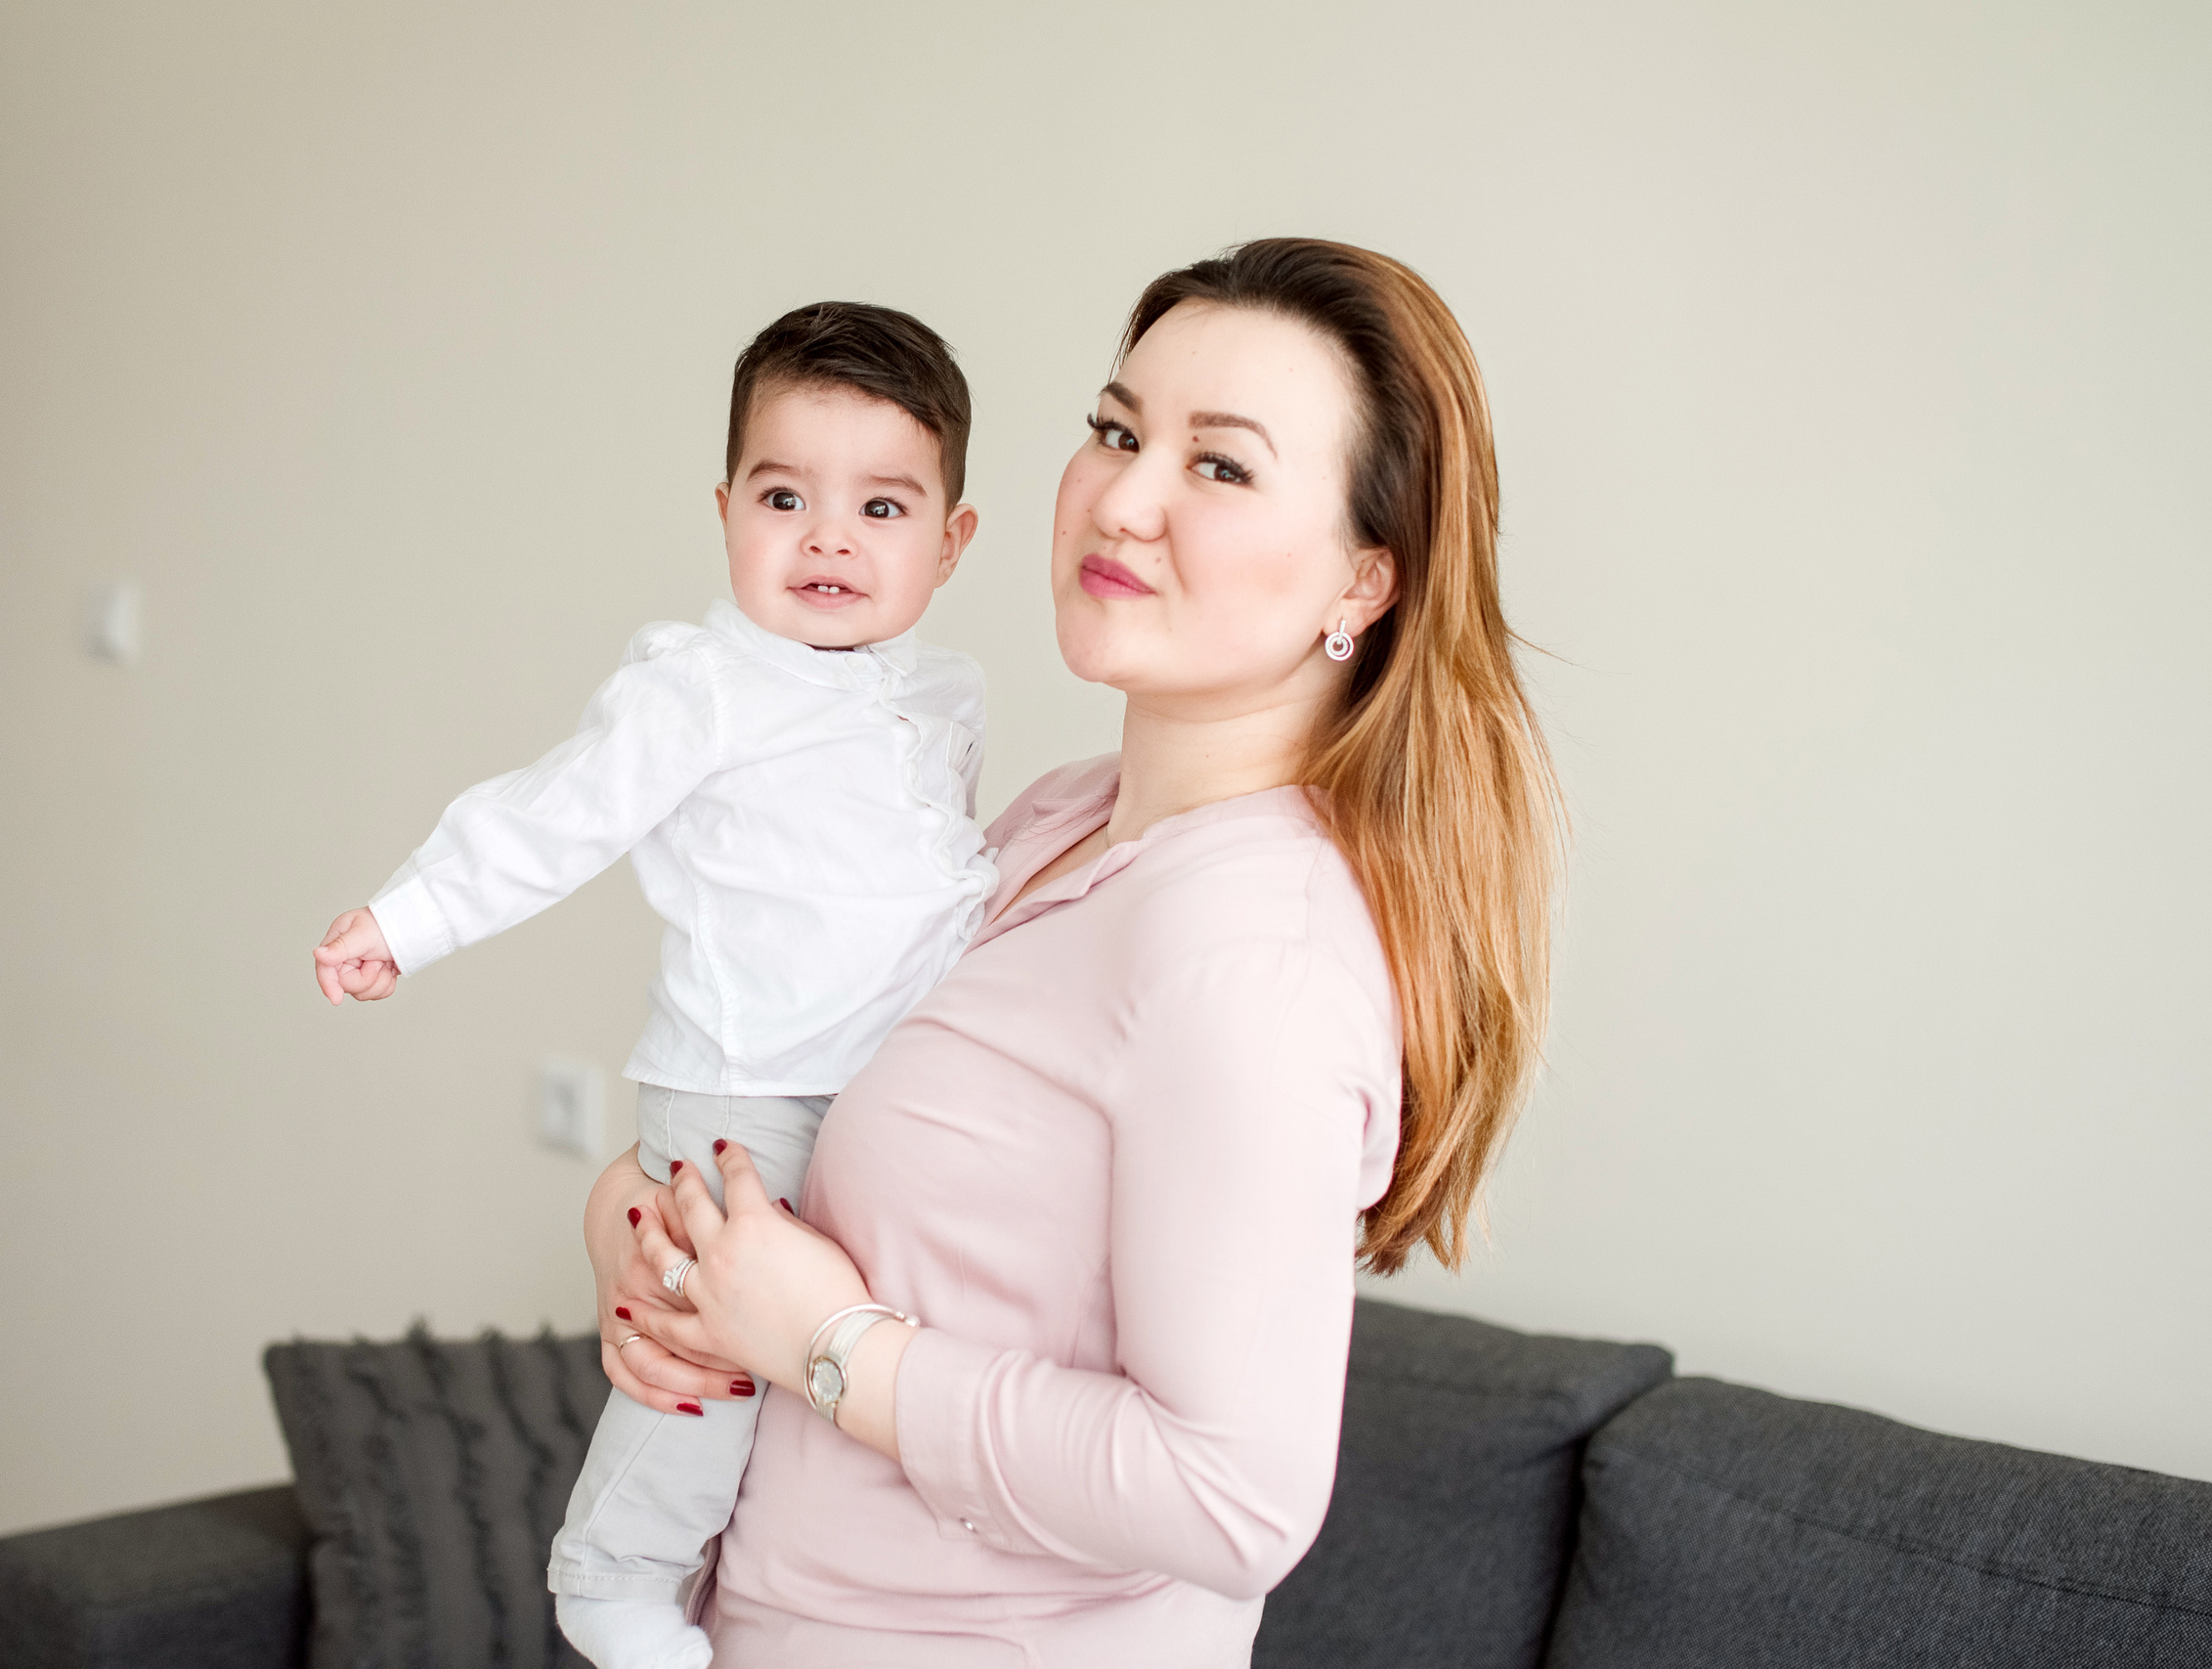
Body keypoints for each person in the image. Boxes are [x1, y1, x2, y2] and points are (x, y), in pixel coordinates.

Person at [588, 238, 1564, 1666]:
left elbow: (1233, 1498)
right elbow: (874, 1171)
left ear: (1365, 579)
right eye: (1117, 429)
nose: (1126, 495)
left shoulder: (1251, 959)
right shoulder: (1058, 824)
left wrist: (830, 1347)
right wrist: (654, 1239)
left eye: (1220, 467)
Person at [310, 302, 997, 1669]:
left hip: (871, 1084)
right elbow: (559, 813)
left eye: (880, 505)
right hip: (748, 1082)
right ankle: (614, 1582)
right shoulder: (702, 688)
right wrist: (414, 915)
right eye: (785, 495)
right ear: (727, 509)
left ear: (950, 540)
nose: (828, 537)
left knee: (831, 1350)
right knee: (714, 1356)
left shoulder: (939, 699)